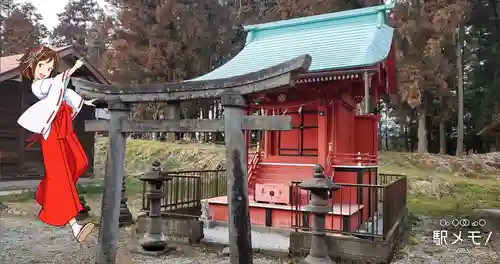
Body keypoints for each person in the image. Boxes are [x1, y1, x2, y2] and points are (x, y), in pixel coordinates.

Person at [17, 46, 97, 243]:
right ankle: (76, 226)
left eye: (49, 66)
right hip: (51, 132)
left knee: (80, 162)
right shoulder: (38, 85)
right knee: (61, 176)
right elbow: (55, 85)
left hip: (64, 126)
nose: (45, 69)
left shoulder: (53, 83)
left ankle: (45, 193)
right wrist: (71, 70)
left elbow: (66, 93)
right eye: (41, 65)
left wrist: (84, 102)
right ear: (32, 66)